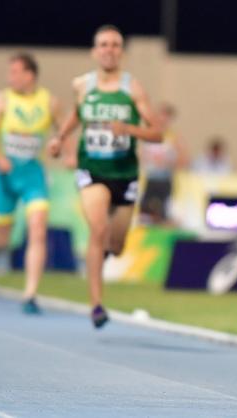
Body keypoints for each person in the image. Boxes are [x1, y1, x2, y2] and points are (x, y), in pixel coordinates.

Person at [47, 25, 163, 328]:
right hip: (92, 169)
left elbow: (157, 133)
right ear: (94, 51)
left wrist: (129, 129)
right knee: (97, 230)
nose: (109, 49)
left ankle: (109, 250)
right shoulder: (83, 85)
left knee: (118, 244)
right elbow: (76, 113)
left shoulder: (132, 88)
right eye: (103, 44)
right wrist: (59, 137)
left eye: (114, 45)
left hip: (124, 173)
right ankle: (97, 305)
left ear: (121, 52)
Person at [0, 53, 62, 314]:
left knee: (38, 229)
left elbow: (63, 132)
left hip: (33, 174)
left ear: (30, 75)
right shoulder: (2, 99)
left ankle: (30, 294)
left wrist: (64, 151)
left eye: (15, 72)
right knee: (1, 239)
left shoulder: (49, 102)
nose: (10, 77)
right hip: (5, 173)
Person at [138, 102, 189, 224]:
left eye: (166, 118)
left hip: (165, 180)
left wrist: (167, 162)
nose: (162, 121)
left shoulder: (173, 138)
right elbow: (139, 155)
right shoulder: (148, 135)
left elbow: (184, 160)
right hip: (148, 180)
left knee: (163, 215)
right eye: (160, 117)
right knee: (144, 215)